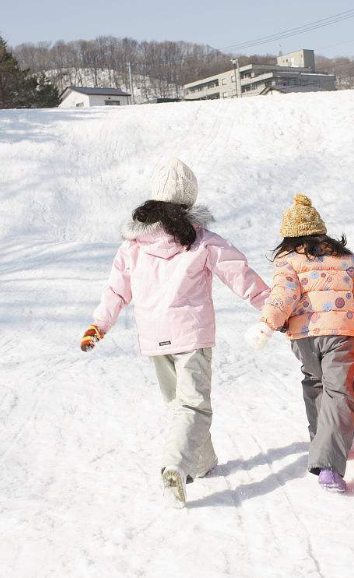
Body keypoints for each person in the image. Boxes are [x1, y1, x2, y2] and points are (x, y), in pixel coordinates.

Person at [80, 158, 270, 506]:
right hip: (190, 336)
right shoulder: (201, 240)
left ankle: (203, 462)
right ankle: (175, 468)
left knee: (178, 404)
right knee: (193, 406)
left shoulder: (133, 245)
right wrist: (275, 308)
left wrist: (99, 324)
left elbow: (116, 291)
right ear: (189, 199)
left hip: (154, 338)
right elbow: (240, 275)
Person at [245, 194, 354, 493]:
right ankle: (329, 461)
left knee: (316, 383)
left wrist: (266, 324)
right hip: (340, 335)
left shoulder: (288, 261)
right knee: (339, 392)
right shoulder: (347, 259)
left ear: (289, 237)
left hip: (304, 338)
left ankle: (323, 443)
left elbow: (282, 296)